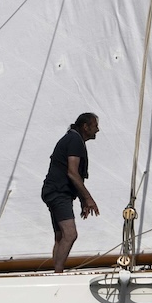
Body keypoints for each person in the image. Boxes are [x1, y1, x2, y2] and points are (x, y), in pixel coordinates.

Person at [42, 113, 100, 272]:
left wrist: (82, 200)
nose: (98, 129)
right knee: (70, 234)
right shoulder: (75, 141)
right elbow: (73, 173)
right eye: (95, 126)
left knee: (60, 236)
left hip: (54, 191)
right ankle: (58, 273)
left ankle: (57, 271)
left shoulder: (72, 139)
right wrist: (88, 199)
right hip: (58, 192)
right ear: (85, 127)